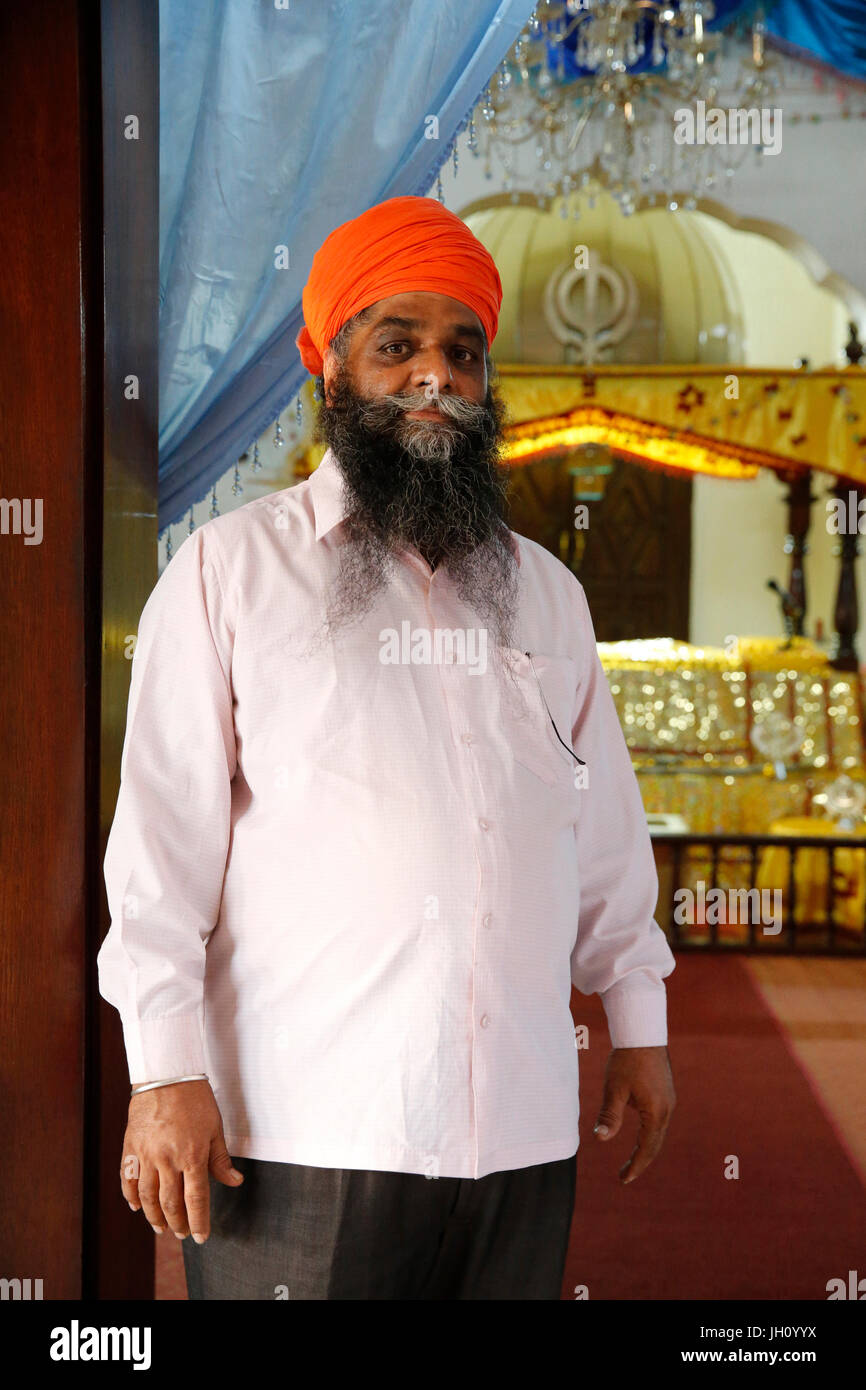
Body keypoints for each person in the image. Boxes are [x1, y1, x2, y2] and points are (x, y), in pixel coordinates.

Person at [98, 194, 676, 1301]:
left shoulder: (546, 594)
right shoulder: (230, 573)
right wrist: (164, 1072)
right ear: (332, 372)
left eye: (462, 350)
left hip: (516, 1129)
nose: (435, 377)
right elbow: (159, 859)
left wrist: (637, 1023)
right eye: (396, 344)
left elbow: (597, 834)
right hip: (304, 1130)